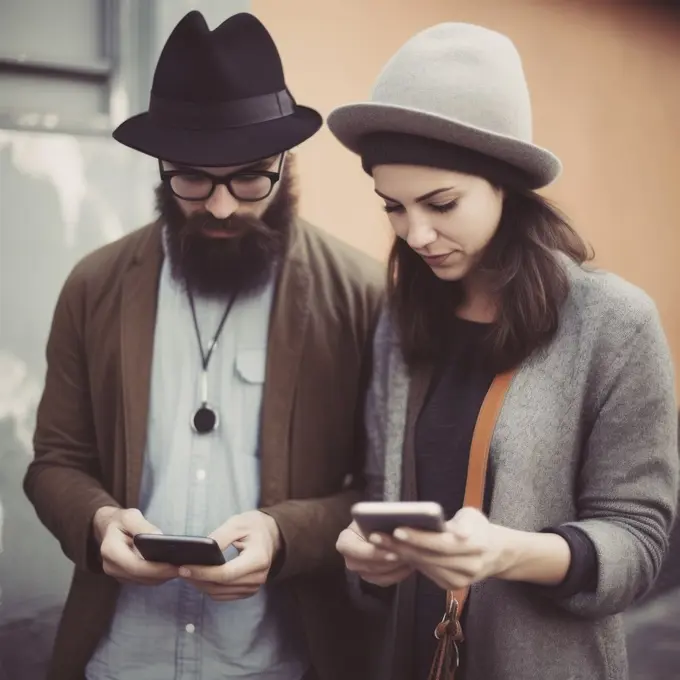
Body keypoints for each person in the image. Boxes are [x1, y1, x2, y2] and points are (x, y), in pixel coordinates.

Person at [24, 11, 383, 680]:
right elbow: (54, 464)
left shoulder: (361, 295)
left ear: (285, 162)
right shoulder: (94, 285)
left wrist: (284, 537)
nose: (221, 206)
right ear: (161, 167)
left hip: (281, 664)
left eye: (250, 178)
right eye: (192, 179)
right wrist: (99, 522)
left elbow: (381, 490)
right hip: (119, 660)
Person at [327, 22, 679, 680]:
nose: (417, 233)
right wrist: (366, 563)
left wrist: (506, 554)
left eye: (441, 203)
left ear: (506, 184)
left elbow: (640, 545)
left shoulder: (614, 323)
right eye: (393, 208)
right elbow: (382, 493)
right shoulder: (399, 320)